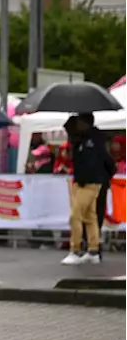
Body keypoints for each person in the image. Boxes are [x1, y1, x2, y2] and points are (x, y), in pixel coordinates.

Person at [63, 113, 114, 265]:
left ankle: (75, 249)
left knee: (76, 215)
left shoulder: (94, 140)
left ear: (85, 123)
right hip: (82, 181)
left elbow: (105, 160)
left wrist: (103, 177)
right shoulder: (80, 140)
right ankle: (93, 250)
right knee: (90, 217)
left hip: (91, 182)